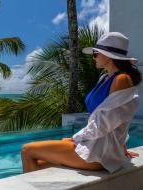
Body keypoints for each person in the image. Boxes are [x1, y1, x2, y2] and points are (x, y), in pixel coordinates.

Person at [21, 32, 141, 173]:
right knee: (41, 163)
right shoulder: (104, 78)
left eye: (95, 53)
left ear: (108, 56)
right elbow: (113, 118)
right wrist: (121, 146)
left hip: (100, 152)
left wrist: (74, 139)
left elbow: (107, 123)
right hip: (97, 144)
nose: (93, 57)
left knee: (27, 150)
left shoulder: (122, 79)